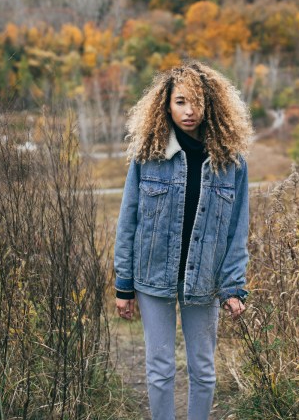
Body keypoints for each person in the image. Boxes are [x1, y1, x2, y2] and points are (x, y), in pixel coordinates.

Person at [114, 60, 253, 420]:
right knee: (159, 369)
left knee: (203, 371)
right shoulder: (147, 155)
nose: (189, 111)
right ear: (166, 105)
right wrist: (124, 286)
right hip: (152, 275)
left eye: (196, 101)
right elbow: (128, 221)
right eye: (180, 101)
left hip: (204, 280)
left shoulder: (231, 162)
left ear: (211, 104)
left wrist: (234, 287)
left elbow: (238, 230)